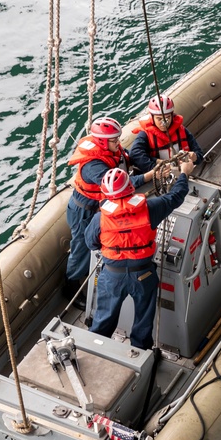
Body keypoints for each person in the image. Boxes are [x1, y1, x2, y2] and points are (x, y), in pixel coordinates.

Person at [84, 160, 194, 349]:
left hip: (111, 276)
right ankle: (139, 354)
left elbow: (91, 243)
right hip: (143, 274)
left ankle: (95, 351)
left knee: (103, 321)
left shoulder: (99, 218)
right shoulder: (150, 208)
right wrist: (184, 173)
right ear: (129, 187)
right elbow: (176, 196)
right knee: (143, 321)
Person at [64, 117, 154, 307]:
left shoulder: (112, 150)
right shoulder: (93, 166)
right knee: (81, 249)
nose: (118, 143)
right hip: (84, 212)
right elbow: (116, 185)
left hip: (98, 207)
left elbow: (126, 159)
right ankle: (72, 287)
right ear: (103, 142)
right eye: (114, 140)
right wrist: (147, 177)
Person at [128, 93, 205, 174]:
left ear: (172, 115)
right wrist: (155, 169)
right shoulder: (145, 134)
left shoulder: (182, 130)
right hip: (160, 178)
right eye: (159, 119)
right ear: (152, 117)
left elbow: (199, 155)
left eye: (167, 117)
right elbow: (134, 154)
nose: (164, 123)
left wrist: (194, 157)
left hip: (182, 174)